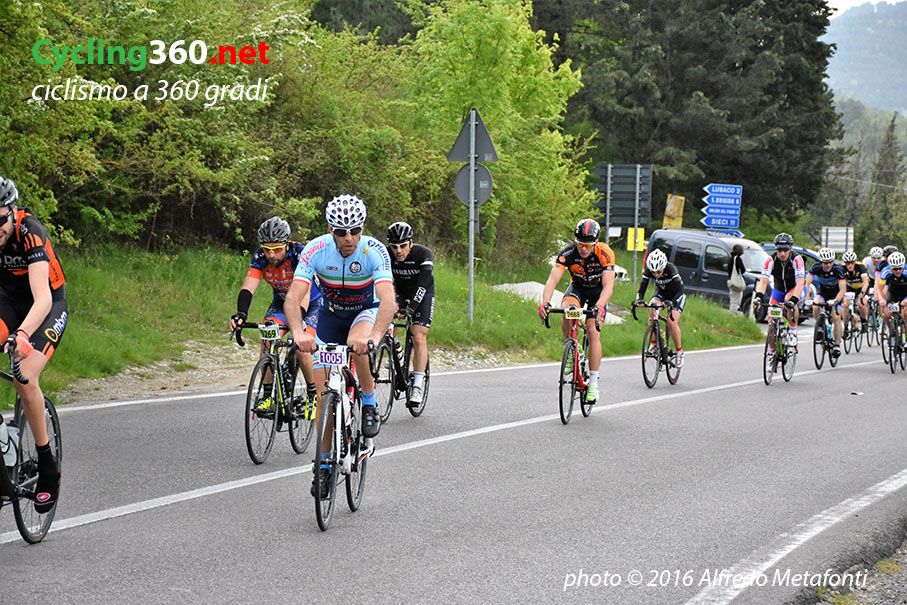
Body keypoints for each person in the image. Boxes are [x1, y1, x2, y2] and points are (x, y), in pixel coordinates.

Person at [283, 194, 395, 498]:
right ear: (331, 230)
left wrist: (375, 336)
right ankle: (323, 465)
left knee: (358, 344)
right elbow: (293, 297)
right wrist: (298, 332)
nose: (349, 238)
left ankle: (369, 403)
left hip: (364, 312)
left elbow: (388, 299)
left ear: (362, 228)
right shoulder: (316, 249)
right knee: (324, 401)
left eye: (355, 231)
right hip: (331, 316)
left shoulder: (374, 251)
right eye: (342, 232)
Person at [0, 177, 64, 512]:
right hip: (8, 302)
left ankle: (47, 465)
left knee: (24, 377)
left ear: (11, 212)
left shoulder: (30, 232)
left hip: (46, 305)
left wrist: (22, 335)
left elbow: (42, 298)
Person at [229, 217, 321, 417]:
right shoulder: (260, 257)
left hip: (310, 303)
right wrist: (241, 313)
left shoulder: (300, 254)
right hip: (281, 303)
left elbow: (305, 292)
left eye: (277, 249)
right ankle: (268, 395)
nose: (271, 254)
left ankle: (313, 394)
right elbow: (248, 287)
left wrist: (299, 322)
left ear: (287, 244)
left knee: (302, 346)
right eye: (267, 249)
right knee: (267, 337)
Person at [538, 219, 616, 403]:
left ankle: (594, 384)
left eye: (588, 245)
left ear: (596, 242)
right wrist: (545, 303)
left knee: (592, 330)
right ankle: (574, 350)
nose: (583, 249)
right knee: (567, 311)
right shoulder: (568, 253)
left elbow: (608, 287)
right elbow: (552, 280)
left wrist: (599, 307)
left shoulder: (605, 253)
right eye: (580, 244)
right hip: (578, 290)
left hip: (598, 294)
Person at [385, 221, 434, 407]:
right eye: (394, 246)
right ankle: (396, 350)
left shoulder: (423, 254)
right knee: (386, 320)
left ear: (411, 243)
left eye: (403, 246)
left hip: (422, 292)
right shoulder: (386, 254)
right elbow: (384, 282)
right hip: (399, 290)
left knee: (418, 335)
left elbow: (423, 284)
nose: (398, 251)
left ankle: (418, 385)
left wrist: (411, 309)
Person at [633, 248, 686, 367]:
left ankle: (679, 352)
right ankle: (653, 343)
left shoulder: (671, 269)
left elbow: (680, 290)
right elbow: (642, 288)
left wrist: (670, 302)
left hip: (676, 295)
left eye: (659, 272)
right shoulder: (649, 270)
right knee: (653, 310)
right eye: (653, 272)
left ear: (663, 267)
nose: (656, 275)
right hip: (661, 294)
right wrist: (640, 300)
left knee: (671, 322)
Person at [753, 232, 805, 353]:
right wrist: (758, 297)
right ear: (776, 248)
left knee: (788, 299)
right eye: (779, 250)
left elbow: (800, 282)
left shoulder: (797, 259)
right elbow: (763, 282)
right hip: (778, 291)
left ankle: (792, 332)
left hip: (794, 289)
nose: (782, 253)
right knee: (771, 321)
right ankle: (772, 352)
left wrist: (794, 300)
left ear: (790, 248)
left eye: (785, 250)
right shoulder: (770, 260)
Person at [806, 247, 846, 358]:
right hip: (823, 292)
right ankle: (820, 326)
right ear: (821, 262)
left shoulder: (838, 270)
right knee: (816, 306)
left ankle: (837, 345)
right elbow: (807, 284)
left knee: (836, 317)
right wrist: (807, 298)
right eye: (825, 263)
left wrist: (836, 301)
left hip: (836, 294)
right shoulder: (815, 268)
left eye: (830, 262)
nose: (828, 265)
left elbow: (843, 289)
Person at [877, 251, 907, 332]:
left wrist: (906, 300)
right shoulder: (886, 271)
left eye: (900, 268)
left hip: (905, 293)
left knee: (905, 313)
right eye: (895, 269)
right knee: (887, 313)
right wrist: (881, 299)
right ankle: (892, 333)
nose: (898, 271)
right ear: (890, 267)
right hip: (893, 293)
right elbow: (879, 289)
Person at [841, 250, 869, 334]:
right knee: (845, 304)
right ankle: (845, 326)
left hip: (861, 287)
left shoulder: (860, 267)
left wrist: (862, 293)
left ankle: (864, 322)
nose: (850, 265)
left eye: (852, 263)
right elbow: (841, 283)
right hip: (850, 287)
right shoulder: (842, 269)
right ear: (845, 263)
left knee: (861, 304)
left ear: (855, 262)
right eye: (847, 263)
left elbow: (866, 282)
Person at [727, 244, 746, 316]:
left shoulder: (731, 259)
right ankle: (733, 315)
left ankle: (732, 313)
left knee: (733, 299)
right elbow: (743, 270)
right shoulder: (737, 259)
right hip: (737, 283)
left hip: (731, 281)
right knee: (736, 300)